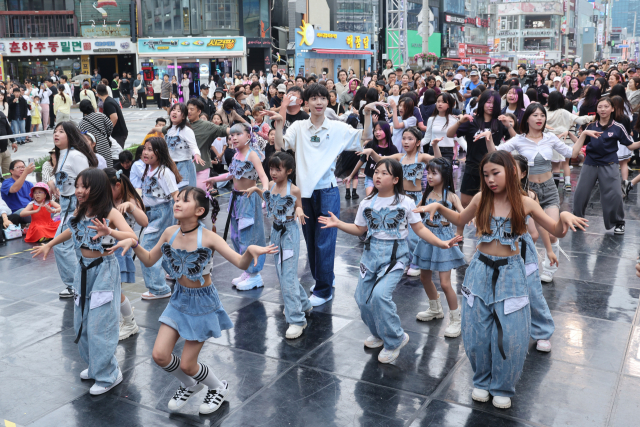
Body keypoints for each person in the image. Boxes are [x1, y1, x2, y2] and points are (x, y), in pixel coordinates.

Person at [419, 150, 587, 409]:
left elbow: (555, 231)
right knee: (475, 332)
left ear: (511, 171)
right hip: (479, 270)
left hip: (511, 272)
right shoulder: (480, 199)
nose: (490, 180)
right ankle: (482, 381)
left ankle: (502, 386)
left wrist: (563, 218)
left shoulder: (526, 202)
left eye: (495, 173)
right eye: (485, 175)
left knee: (512, 334)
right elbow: (460, 219)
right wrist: (440, 206)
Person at [111, 186, 275, 413]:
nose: (177, 203)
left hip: (203, 304)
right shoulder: (169, 232)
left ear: (199, 210)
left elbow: (240, 263)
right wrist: (135, 244)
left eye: (184, 201)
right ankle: (190, 384)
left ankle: (218, 387)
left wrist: (250, 252)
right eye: (177, 199)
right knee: (160, 355)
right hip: (179, 298)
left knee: (188, 364)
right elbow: (149, 260)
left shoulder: (209, 237)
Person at [319, 158, 461, 363]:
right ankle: (378, 333)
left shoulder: (406, 203)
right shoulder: (367, 203)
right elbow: (360, 229)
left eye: (384, 173)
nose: (377, 175)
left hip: (395, 257)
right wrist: (339, 223)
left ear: (396, 179)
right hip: (370, 255)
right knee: (362, 297)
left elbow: (420, 229)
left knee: (380, 296)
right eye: (376, 172)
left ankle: (395, 338)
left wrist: (441, 243)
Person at [265, 84, 378, 306]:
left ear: (328, 101)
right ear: (306, 102)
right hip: (303, 194)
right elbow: (280, 145)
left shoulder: (336, 127)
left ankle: (324, 289)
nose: (318, 102)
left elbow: (365, 137)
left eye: (322, 98)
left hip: (327, 191)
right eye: (314, 98)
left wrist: (366, 113)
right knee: (311, 240)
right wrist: (279, 120)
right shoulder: (298, 126)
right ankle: (324, 279)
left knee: (324, 242)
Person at [32, 168, 137, 396]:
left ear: (97, 188)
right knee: (82, 321)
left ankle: (109, 374)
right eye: (77, 185)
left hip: (104, 272)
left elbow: (132, 236)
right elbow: (71, 231)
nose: (78, 190)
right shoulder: (81, 210)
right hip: (83, 271)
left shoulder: (110, 212)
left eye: (84, 186)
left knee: (101, 323)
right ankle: (95, 364)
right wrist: (50, 244)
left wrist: (110, 231)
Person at [495, 104, 577, 283]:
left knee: (553, 232)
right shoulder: (519, 140)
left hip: (549, 189)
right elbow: (496, 152)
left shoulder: (550, 138)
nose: (539, 118)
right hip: (528, 192)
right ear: (527, 119)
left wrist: (583, 135)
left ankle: (549, 267)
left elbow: (571, 152)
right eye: (535, 115)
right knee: (532, 234)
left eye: (542, 115)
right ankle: (525, 265)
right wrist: (487, 139)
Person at [245, 152, 312, 338]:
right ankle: (303, 304)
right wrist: (258, 191)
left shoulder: (294, 189)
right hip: (276, 232)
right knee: (283, 273)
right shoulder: (273, 185)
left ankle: (297, 320)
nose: (273, 172)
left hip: (289, 233)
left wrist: (298, 210)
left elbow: (298, 205)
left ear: (289, 171)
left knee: (288, 276)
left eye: (278, 169)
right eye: (271, 168)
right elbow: (271, 200)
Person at [205, 123, 268, 290]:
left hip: (248, 199)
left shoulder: (252, 155)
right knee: (236, 236)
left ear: (248, 136)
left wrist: (266, 195)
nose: (233, 138)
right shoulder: (235, 155)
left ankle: (255, 274)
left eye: (237, 134)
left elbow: (263, 176)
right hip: (235, 198)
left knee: (249, 236)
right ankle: (247, 269)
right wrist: (214, 179)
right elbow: (231, 174)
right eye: (231, 135)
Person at [413, 157, 466, 336]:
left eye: (434, 173)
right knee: (424, 278)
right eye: (428, 172)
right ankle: (435, 309)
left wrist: (467, 222)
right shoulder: (426, 194)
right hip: (427, 238)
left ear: (444, 175)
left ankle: (456, 319)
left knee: (445, 283)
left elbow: (462, 213)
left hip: (444, 239)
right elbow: (416, 209)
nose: (429, 176)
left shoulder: (450, 196)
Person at [573, 97, 640, 234]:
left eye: (606, 106)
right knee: (580, 193)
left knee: (614, 194)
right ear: (596, 109)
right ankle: (577, 219)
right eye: (600, 107)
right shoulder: (591, 126)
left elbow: (631, 145)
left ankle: (619, 222)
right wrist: (574, 134)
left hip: (609, 164)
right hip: (590, 163)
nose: (602, 109)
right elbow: (581, 144)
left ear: (612, 109)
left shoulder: (618, 127)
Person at [512, 154, 556, 353]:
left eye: (511, 169)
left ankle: (542, 332)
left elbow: (541, 224)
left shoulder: (529, 197)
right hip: (498, 252)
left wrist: (549, 250)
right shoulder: (491, 196)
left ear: (522, 174)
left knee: (532, 291)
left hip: (523, 250)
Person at [49, 122, 99, 298]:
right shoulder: (62, 154)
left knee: (61, 246)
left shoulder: (76, 156)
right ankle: (82, 282)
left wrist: (83, 208)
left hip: (75, 206)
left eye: (61, 132)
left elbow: (88, 182)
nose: (56, 134)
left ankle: (75, 284)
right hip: (65, 205)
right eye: (55, 131)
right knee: (76, 247)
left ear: (71, 135)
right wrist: (52, 183)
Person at [447, 90, 516, 207]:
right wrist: (460, 122)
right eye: (488, 102)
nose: (491, 106)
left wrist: (508, 125)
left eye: (494, 103)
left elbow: (516, 140)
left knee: (489, 204)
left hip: (492, 169)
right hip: (472, 167)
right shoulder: (472, 121)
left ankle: (483, 225)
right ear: (483, 102)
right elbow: (449, 134)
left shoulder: (499, 123)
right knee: (465, 203)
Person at [103, 167, 147, 340]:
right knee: (111, 289)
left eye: (107, 189)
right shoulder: (106, 201)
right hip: (106, 249)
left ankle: (129, 322)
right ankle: (124, 317)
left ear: (118, 185)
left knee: (114, 290)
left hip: (121, 248)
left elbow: (144, 221)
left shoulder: (129, 199)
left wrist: (131, 206)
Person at [139, 137, 182, 299]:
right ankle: (176, 272)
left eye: (151, 150)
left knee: (147, 248)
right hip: (151, 213)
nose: (146, 152)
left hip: (162, 212)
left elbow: (175, 195)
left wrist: (180, 216)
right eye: (145, 149)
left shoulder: (164, 172)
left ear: (160, 152)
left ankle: (159, 289)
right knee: (162, 247)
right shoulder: (148, 169)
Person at [162, 99, 228, 191]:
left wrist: (197, 155)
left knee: (194, 194)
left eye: (179, 111)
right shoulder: (170, 130)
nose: (189, 111)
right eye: (173, 110)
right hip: (173, 166)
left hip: (196, 166)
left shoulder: (191, 129)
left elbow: (194, 146)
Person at [545, 91, 594, 192]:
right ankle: (554, 189)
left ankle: (546, 187)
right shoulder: (563, 112)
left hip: (545, 141)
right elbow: (579, 120)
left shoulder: (544, 111)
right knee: (556, 167)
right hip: (559, 141)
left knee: (546, 166)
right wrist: (594, 117)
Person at [345, 121, 398, 197]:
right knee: (370, 199)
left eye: (380, 130)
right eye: (375, 130)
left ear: (386, 130)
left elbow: (396, 167)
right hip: (370, 178)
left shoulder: (393, 149)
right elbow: (361, 161)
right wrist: (351, 175)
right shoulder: (370, 145)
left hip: (385, 180)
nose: (377, 132)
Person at [78, 99, 114, 168]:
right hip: (105, 145)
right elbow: (110, 125)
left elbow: (80, 136)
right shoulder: (100, 115)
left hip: (93, 148)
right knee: (108, 166)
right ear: (91, 106)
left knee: (97, 169)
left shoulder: (81, 123)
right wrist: (107, 135)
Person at [97, 84, 128, 148]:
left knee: (117, 155)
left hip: (118, 134)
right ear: (107, 91)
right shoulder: (109, 100)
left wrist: (107, 132)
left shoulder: (108, 103)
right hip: (119, 133)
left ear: (98, 94)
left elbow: (114, 118)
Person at [0, 107, 16, 175]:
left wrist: (13, 141)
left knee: (10, 174)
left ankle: (9, 185)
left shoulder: (1, 114)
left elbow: (8, 128)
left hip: (5, 150)